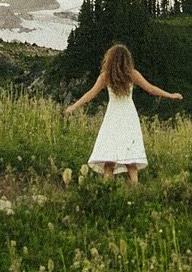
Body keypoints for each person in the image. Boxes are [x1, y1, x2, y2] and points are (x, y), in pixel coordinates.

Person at [64, 41, 182, 185]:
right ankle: (135, 189)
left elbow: (90, 94)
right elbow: (151, 89)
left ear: (110, 59)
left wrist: (73, 107)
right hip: (128, 116)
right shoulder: (132, 74)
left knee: (109, 160)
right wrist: (170, 95)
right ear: (127, 59)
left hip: (112, 117)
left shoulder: (105, 76)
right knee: (131, 160)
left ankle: (107, 188)